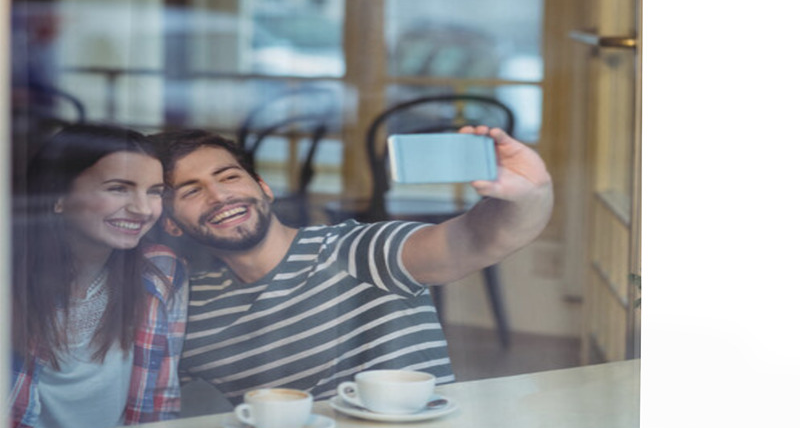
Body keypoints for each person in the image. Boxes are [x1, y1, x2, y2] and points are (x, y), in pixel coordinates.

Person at [153, 125, 553, 408]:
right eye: (191, 191)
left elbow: (477, 239)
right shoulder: (189, 306)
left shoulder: (358, 251)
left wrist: (530, 194)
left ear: (263, 187)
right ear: (169, 222)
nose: (220, 196)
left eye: (229, 177)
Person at [9, 124, 188, 428]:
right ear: (58, 196)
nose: (142, 209)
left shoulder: (162, 272)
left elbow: (161, 399)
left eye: (154, 192)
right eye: (118, 188)